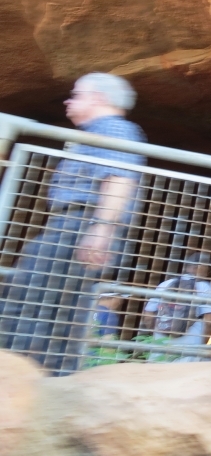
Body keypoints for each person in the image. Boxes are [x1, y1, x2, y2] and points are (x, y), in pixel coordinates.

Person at [0, 73, 146, 373]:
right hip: (74, 224)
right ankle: (48, 374)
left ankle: (25, 373)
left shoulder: (113, 128)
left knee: (39, 300)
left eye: (76, 94)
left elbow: (119, 178)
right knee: (55, 304)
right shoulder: (96, 132)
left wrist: (102, 227)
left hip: (80, 223)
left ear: (98, 98)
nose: (68, 100)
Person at [140, 252, 211, 362]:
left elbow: (148, 316)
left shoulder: (165, 284)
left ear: (187, 267)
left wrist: (161, 331)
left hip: (161, 342)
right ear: (205, 270)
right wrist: (203, 343)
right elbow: (209, 322)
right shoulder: (204, 287)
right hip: (190, 343)